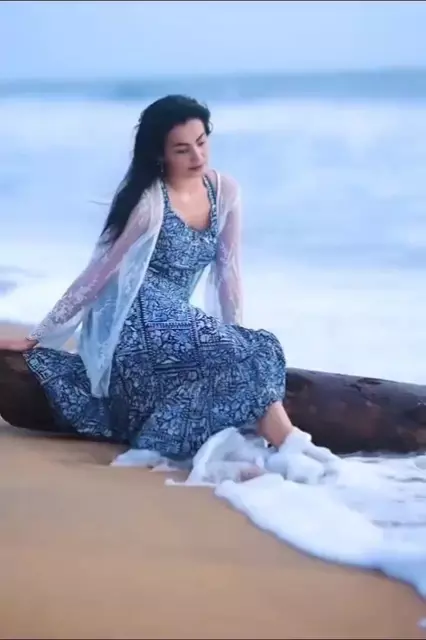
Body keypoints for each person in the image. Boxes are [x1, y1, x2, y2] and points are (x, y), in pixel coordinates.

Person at [0, 94, 337, 482]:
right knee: (238, 353)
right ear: (160, 154)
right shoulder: (149, 203)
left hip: (177, 318)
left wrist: (233, 333)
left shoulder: (224, 191)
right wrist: (40, 335)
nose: (197, 156)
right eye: (182, 149)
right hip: (135, 319)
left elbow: (229, 272)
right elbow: (98, 275)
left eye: (202, 142)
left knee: (258, 347)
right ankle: (291, 446)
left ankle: (290, 446)